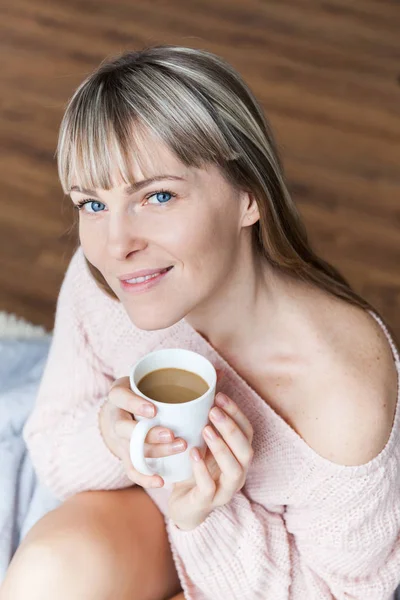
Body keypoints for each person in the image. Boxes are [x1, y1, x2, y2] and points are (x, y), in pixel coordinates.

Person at [1, 44, 399, 600]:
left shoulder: (342, 396)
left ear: (249, 198)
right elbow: (53, 448)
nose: (117, 244)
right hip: (140, 523)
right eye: (91, 203)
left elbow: (346, 595)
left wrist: (205, 515)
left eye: (157, 195)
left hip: (254, 576)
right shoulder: (112, 283)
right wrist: (113, 439)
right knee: (45, 579)